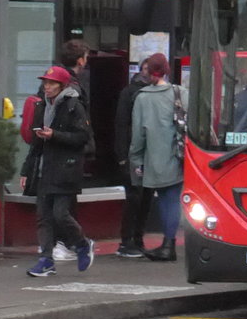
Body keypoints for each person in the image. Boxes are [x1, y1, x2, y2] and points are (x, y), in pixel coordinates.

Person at [20, 65, 95, 278]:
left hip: (66, 168)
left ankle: (82, 244)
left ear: (62, 86)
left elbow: (82, 138)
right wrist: (26, 170)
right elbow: (35, 142)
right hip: (44, 168)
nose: (47, 87)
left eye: (51, 83)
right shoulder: (41, 106)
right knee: (43, 216)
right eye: (45, 83)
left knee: (60, 214)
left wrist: (55, 135)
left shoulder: (73, 106)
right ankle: (45, 260)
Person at [128, 53, 187, 262]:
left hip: (155, 158)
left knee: (165, 200)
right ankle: (168, 242)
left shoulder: (143, 98)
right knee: (172, 199)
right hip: (180, 156)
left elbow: (138, 135)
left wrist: (135, 160)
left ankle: (168, 245)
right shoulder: (180, 92)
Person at [113, 58, 153, 257]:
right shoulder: (130, 92)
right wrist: (122, 156)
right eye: (145, 68)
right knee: (134, 197)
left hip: (150, 154)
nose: (147, 72)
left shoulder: (156, 92)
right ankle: (126, 240)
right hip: (132, 152)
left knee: (145, 198)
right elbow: (121, 124)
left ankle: (138, 239)